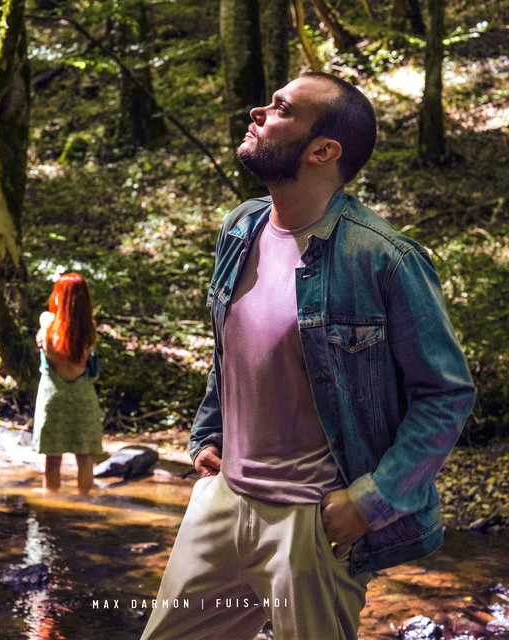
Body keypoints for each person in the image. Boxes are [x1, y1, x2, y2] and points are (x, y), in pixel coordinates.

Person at [140, 72, 476, 640]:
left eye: (281, 109)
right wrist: (209, 434)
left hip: (310, 523)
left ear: (323, 151)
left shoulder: (384, 260)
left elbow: (446, 396)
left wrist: (370, 503)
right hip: (222, 502)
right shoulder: (241, 228)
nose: (258, 112)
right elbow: (230, 352)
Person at [32, 273, 103, 494]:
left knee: (52, 459)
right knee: (85, 458)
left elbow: (49, 328)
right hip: (83, 397)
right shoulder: (89, 327)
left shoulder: (47, 321)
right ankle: (85, 503)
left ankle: (51, 505)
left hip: (54, 396)